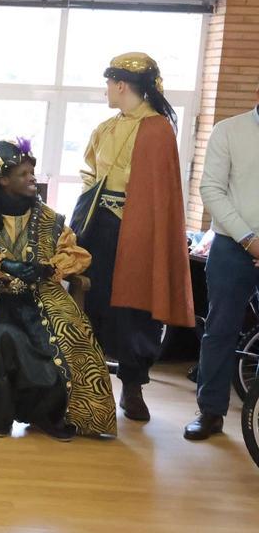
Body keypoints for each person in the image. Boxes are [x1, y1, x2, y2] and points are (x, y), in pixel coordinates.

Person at [0, 139, 117, 439]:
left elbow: (77, 254)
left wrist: (49, 267)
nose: (32, 179)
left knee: (66, 336)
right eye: (24, 174)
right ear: (2, 180)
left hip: (42, 296)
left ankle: (49, 415)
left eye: (32, 173)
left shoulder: (50, 219)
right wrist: (2, 265)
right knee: (1, 336)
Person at [78, 53, 194, 422]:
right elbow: (90, 173)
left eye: (109, 83)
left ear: (122, 85)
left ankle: (132, 385)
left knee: (134, 309)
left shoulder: (158, 129)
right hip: (101, 229)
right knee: (93, 302)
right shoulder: (106, 128)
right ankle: (89, 387)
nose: (107, 91)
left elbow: (160, 192)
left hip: (139, 231)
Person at [186, 91, 259, 440]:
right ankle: (211, 412)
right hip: (233, 245)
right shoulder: (228, 130)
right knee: (221, 330)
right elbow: (212, 189)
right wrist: (249, 239)